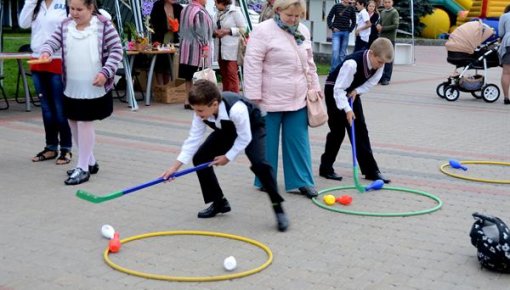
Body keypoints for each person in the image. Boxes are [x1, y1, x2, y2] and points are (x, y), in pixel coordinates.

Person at [162, 80, 289, 232]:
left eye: (200, 111)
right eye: (195, 110)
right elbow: (193, 140)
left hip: (252, 127)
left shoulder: (236, 109)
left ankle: (278, 207)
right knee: (200, 157)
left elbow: (244, 138)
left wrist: (227, 157)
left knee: (260, 164)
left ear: (214, 104)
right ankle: (219, 202)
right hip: (227, 130)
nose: (197, 115)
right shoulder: (202, 111)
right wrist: (174, 168)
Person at [38, 0, 123, 185]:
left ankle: (82, 168)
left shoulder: (103, 25)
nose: (74, 13)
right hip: (71, 86)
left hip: (94, 85)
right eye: (71, 9)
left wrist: (105, 72)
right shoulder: (65, 25)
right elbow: (52, 41)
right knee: (73, 121)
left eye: (79, 9)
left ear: (91, 7)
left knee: (85, 122)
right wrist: (46, 51)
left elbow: (117, 50)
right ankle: (90, 162)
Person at [243, 0, 319, 199]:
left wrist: (315, 87)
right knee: (267, 143)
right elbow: (252, 64)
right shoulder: (262, 31)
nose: (294, 20)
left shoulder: (303, 30)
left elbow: (310, 63)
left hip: (298, 98)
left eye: (297, 16)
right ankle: (265, 180)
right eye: (289, 16)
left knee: (299, 141)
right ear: (278, 10)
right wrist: (253, 98)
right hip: (269, 98)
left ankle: (302, 181)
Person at [319, 38, 393, 184]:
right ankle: (326, 168)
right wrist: (347, 109)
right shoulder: (351, 64)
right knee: (338, 132)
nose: (381, 66)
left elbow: (371, 82)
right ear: (372, 54)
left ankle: (371, 171)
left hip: (352, 92)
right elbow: (338, 90)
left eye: (384, 63)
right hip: (335, 91)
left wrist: (357, 90)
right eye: (379, 62)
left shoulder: (380, 64)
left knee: (360, 130)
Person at [19, 0, 73, 165]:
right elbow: (23, 23)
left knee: (59, 108)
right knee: (46, 108)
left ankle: (66, 148)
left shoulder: (64, 3)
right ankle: (51, 147)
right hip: (37, 59)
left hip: (57, 59)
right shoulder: (36, 3)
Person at [178, 0, 214, 110]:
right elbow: (201, 31)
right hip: (196, 49)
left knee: (188, 77)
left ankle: (187, 100)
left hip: (185, 48)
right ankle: (197, 101)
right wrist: (205, 46)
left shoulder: (185, 9)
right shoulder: (199, 12)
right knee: (198, 75)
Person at [213, 0, 245, 93]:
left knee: (231, 74)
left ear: (222, 2)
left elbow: (244, 29)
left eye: (216, 2)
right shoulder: (218, 13)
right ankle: (226, 97)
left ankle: (235, 97)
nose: (214, 4)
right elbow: (215, 27)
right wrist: (215, 32)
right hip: (220, 47)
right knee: (224, 74)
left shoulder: (235, 12)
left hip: (232, 48)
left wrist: (228, 31)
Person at [150, 0, 183, 85]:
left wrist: (177, 28)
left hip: (172, 39)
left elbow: (183, 23)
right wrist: (167, 28)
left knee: (168, 64)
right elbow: (153, 23)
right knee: (159, 64)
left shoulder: (178, 7)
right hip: (159, 39)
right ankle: (161, 87)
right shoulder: (157, 6)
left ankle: (167, 87)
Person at [326, 0, 356, 73]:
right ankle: (333, 71)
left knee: (342, 53)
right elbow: (329, 17)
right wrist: (332, 27)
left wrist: (350, 30)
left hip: (346, 33)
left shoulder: (351, 8)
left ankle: (341, 70)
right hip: (336, 33)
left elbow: (354, 21)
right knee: (335, 51)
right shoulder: (336, 6)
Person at [376, 0, 398, 85]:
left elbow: (395, 25)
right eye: (385, 2)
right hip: (382, 38)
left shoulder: (394, 12)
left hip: (390, 39)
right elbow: (380, 22)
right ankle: (380, 77)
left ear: (392, 3)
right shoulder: (383, 12)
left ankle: (386, 78)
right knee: (381, 57)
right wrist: (378, 25)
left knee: (388, 59)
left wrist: (383, 28)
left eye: (389, 2)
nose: (387, 4)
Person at [499, 4, 510, 104]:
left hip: (508, 44)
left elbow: (501, 33)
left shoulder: (505, 16)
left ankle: (506, 98)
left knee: (507, 72)